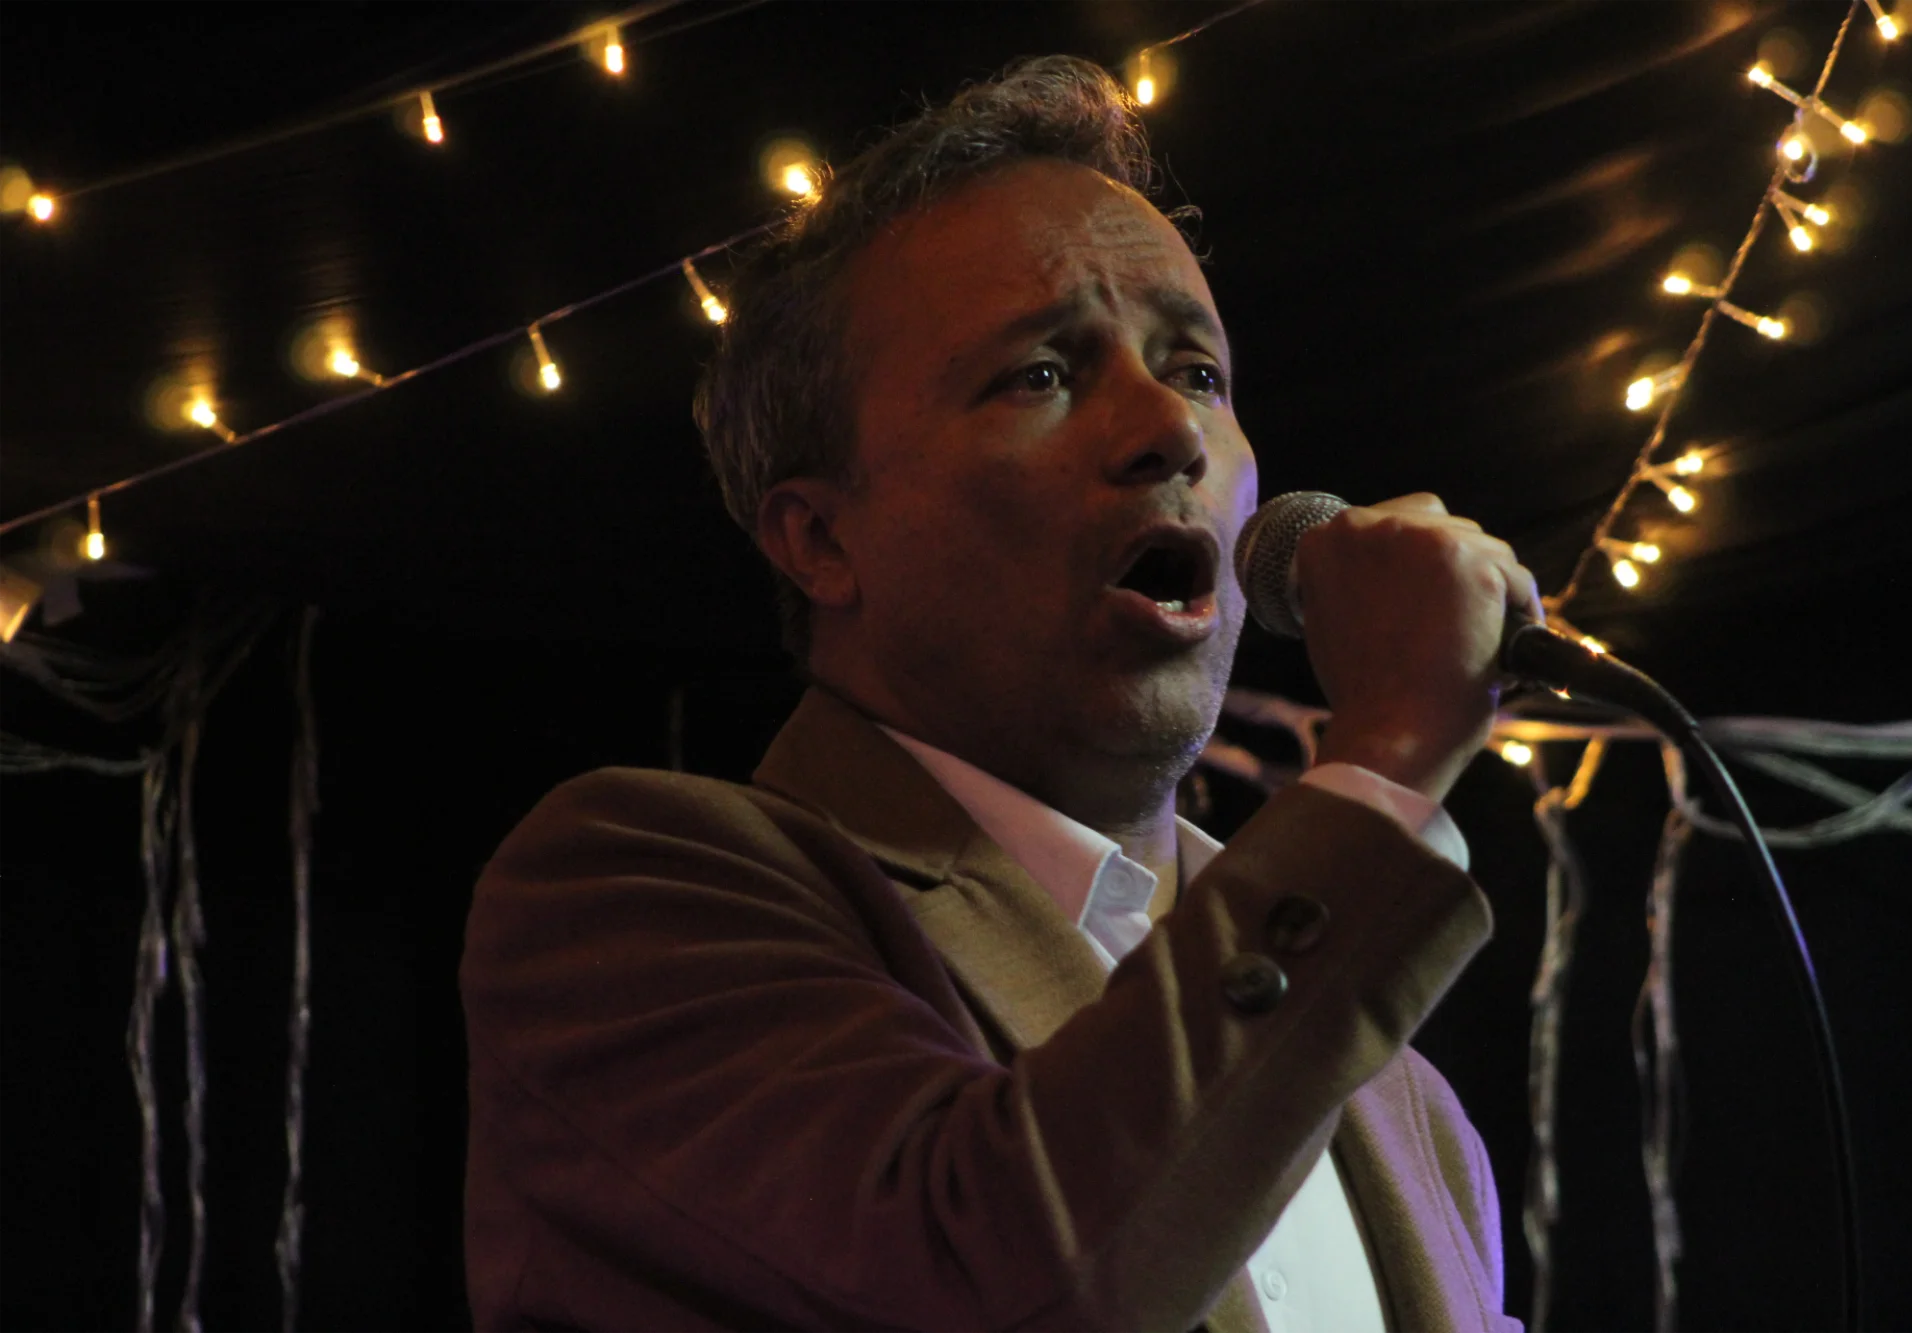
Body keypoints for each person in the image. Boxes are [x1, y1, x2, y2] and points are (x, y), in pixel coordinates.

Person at [461, 55, 1535, 1333]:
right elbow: (991, 1282)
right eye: (1040, 373)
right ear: (821, 539)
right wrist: (1388, 757)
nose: (1169, 429)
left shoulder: (1399, 1096)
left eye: (1197, 372)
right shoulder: (635, 898)